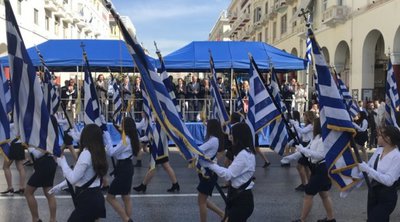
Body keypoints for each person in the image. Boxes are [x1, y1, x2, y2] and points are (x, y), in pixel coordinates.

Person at [50, 124, 108, 222]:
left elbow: (73, 178)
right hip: (96, 197)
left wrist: (63, 163)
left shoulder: (86, 154)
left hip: (87, 200)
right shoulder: (98, 152)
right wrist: (61, 185)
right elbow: (83, 176)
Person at [201, 122, 255, 222]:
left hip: (242, 201)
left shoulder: (244, 155)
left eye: (232, 134)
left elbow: (228, 174)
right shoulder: (244, 152)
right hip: (237, 197)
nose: (230, 137)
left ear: (238, 136)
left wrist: (210, 165)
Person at [292, 118, 336, 222]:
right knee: (324, 194)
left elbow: (320, 155)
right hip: (317, 168)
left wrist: (303, 150)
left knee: (308, 194)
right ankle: (331, 219)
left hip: (322, 168)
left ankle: (302, 220)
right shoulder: (316, 137)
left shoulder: (324, 139)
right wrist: (291, 157)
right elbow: (308, 149)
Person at [358, 125, 400, 222]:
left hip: (387, 196)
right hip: (373, 192)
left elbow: (389, 181)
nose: (376, 137)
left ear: (388, 139)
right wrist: (355, 178)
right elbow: (369, 167)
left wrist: (367, 170)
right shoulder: (379, 150)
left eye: (379, 135)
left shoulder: (397, 157)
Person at [104, 117, 139, 222]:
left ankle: (126, 219)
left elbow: (111, 152)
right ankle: (127, 219)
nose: (120, 126)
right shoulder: (132, 137)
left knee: (110, 197)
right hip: (127, 167)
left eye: (122, 124)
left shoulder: (126, 140)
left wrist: (107, 138)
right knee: (126, 197)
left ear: (126, 127)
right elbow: (120, 131)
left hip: (123, 169)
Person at [25, 117, 58, 222]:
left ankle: (35, 219)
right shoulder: (51, 135)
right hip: (49, 164)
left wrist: (28, 145)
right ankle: (53, 219)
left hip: (44, 164)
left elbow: (38, 154)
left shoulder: (46, 136)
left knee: (28, 192)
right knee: (49, 192)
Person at [132, 119, 180, 193]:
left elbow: (153, 135)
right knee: (166, 166)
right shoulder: (160, 123)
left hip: (158, 147)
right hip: (161, 146)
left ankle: (143, 185)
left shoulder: (159, 123)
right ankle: (175, 184)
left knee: (153, 166)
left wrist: (140, 139)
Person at [197, 119, 225, 222]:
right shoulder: (212, 138)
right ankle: (222, 214)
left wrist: (188, 145)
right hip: (205, 173)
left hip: (209, 174)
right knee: (202, 200)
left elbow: (199, 150)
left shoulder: (213, 140)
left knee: (201, 201)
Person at [290, 111, 315, 191]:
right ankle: (309, 183)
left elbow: (302, 131)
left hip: (308, 145)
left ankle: (305, 184)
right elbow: (300, 133)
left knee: (300, 166)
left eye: (305, 116)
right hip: (304, 144)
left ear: (308, 117)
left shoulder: (311, 125)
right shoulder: (308, 125)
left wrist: (296, 124)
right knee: (306, 166)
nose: (303, 118)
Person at [1, 123, 26, 195]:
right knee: (20, 167)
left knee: (5, 167)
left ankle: (10, 187)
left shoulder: (13, 123)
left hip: (13, 145)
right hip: (20, 144)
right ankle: (22, 187)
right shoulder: (21, 121)